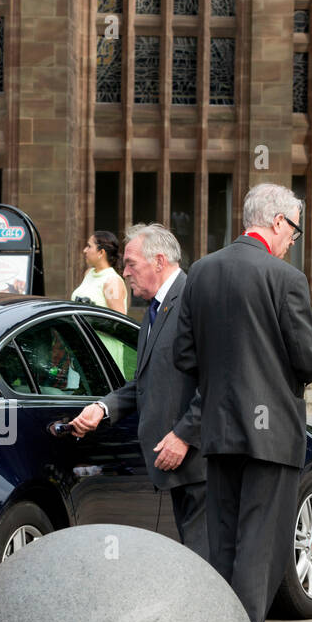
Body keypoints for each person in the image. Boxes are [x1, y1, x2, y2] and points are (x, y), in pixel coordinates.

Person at [174, 183, 312, 622]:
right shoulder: (286, 280)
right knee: (261, 549)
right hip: (272, 436)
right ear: (277, 221)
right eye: (292, 233)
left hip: (219, 432)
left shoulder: (201, 271)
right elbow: (309, 359)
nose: (291, 244)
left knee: (222, 545)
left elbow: (185, 355)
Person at [70, 223, 206, 557]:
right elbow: (144, 382)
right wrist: (102, 408)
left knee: (206, 563)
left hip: (199, 464)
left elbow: (218, 379)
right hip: (173, 465)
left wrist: (184, 435)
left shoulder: (194, 299)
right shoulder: (154, 310)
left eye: (131, 263)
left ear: (159, 261)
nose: (125, 272)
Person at [70, 230, 128, 314]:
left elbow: (119, 322)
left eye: (89, 246)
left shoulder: (112, 282)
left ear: (101, 252)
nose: (84, 250)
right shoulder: (88, 273)